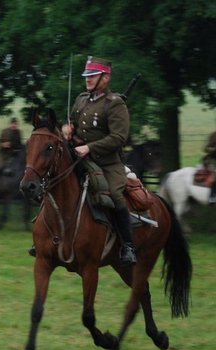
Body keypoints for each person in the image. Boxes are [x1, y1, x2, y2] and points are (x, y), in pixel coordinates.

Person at [61, 56, 136, 266]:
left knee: (114, 195)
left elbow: (119, 138)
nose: (88, 79)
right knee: (55, 182)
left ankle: (128, 246)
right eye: (87, 75)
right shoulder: (82, 99)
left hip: (108, 163)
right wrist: (67, 130)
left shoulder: (115, 104)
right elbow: (73, 123)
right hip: (79, 159)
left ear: (106, 77)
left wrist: (89, 147)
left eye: (93, 75)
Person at [0, 117, 23, 190]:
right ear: (10, 124)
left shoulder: (18, 132)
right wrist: (3, 145)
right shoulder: (4, 131)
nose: (14, 126)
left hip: (14, 154)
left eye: (16, 124)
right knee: (1, 167)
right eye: (13, 124)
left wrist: (20, 148)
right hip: (3, 155)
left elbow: (19, 144)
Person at [204, 130, 216, 204]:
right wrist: (214, 149)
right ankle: (212, 197)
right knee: (215, 176)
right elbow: (205, 148)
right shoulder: (213, 136)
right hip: (212, 161)